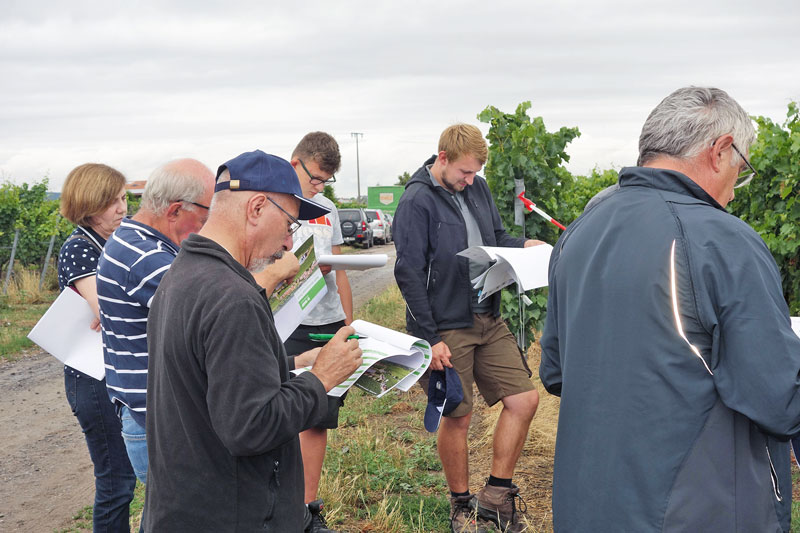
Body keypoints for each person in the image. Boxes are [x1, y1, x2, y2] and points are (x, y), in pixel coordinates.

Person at [539, 86, 800, 532]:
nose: (736, 190)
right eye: (742, 169)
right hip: (695, 510)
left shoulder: (578, 235)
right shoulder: (722, 240)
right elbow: (777, 396)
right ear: (720, 150)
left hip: (588, 506)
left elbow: (558, 372)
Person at [142, 150, 363, 531]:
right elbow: (252, 426)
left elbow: (209, 377)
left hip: (185, 509)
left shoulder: (184, 271)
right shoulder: (233, 297)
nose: (289, 244)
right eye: (290, 224)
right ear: (257, 208)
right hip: (232, 515)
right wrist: (321, 378)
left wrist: (292, 365)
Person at [393, 124, 541, 533]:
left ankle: (495, 496)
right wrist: (432, 337)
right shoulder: (417, 200)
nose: (470, 180)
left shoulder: (477, 188)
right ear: (442, 158)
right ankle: (461, 504)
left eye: (476, 173)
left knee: (524, 400)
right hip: (446, 323)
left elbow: (496, 238)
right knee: (458, 414)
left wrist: (525, 246)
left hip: (487, 314)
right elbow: (408, 272)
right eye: (464, 172)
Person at [97, 158, 215, 484]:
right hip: (155, 422)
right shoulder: (145, 258)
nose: (209, 226)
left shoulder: (139, 242)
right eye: (206, 216)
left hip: (150, 417)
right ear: (175, 210)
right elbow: (210, 312)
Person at [57, 163, 137, 532]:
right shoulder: (79, 248)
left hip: (118, 369)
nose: (123, 208)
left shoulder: (114, 242)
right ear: (89, 206)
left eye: (123, 198)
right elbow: (107, 310)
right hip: (93, 379)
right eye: (113, 202)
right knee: (116, 482)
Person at [282, 132, 352, 533]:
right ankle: (280, 505)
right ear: (296, 163)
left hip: (326, 322)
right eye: (314, 178)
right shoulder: (275, 205)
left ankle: (308, 509)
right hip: (290, 323)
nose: (319, 188)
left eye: (325, 182)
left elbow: (339, 267)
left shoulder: (327, 209)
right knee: (282, 415)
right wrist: (308, 271)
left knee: (318, 418)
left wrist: (347, 320)